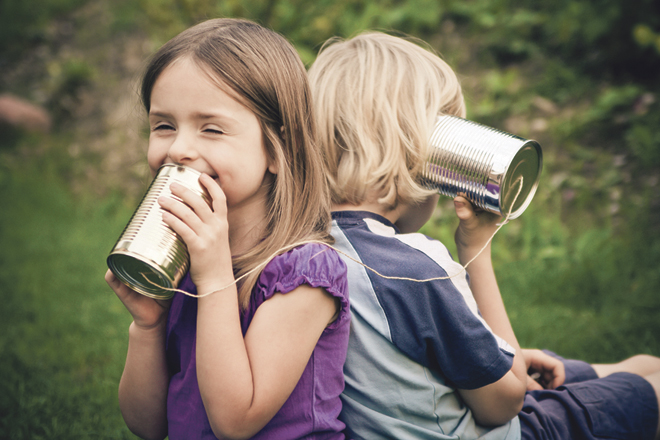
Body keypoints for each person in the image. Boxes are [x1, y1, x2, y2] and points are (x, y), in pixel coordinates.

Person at [308, 31, 660, 440]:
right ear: (423, 155)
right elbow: (506, 402)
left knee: (639, 363)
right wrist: (477, 250)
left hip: (436, 403)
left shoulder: (305, 250)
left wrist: (505, 361)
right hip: (505, 430)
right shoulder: (414, 269)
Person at [105, 18, 350, 440]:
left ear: (279, 148)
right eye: (164, 125)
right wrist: (146, 328)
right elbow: (148, 425)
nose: (179, 148)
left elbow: (235, 421)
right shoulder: (184, 263)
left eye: (211, 129)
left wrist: (215, 277)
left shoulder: (305, 272)